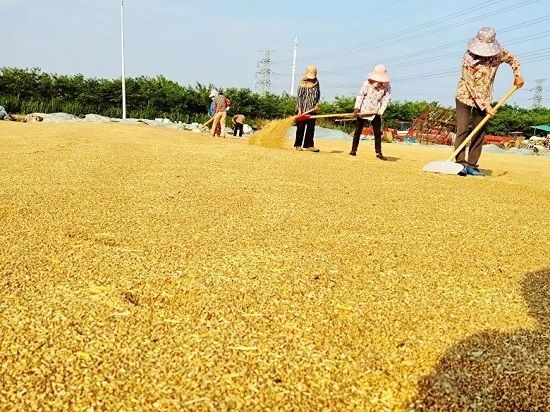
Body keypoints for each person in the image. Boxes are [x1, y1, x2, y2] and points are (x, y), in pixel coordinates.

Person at [454, 27, 524, 177]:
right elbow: (471, 85)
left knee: (479, 131)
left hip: (486, 97)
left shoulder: (498, 54)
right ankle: (460, 163)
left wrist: (517, 75)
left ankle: (472, 165)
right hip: (464, 96)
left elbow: (513, 59)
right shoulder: (468, 58)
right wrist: (486, 105)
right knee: (463, 128)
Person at [350, 64, 391, 160]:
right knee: (358, 131)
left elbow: (387, 99)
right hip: (363, 109)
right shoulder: (367, 83)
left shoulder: (387, 86)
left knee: (377, 133)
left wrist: (380, 111)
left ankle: (378, 153)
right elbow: (361, 95)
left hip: (375, 111)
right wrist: (357, 108)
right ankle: (353, 150)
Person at [294, 65, 321, 152]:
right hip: (302, 109)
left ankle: (309, 145)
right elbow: (299, 97)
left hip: (312, 110)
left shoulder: (317, 83)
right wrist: (299, 109)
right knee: (300, 128)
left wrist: (317, 104)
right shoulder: (302, 83)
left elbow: (318, 95)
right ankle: (298, 145)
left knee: (311, 128)